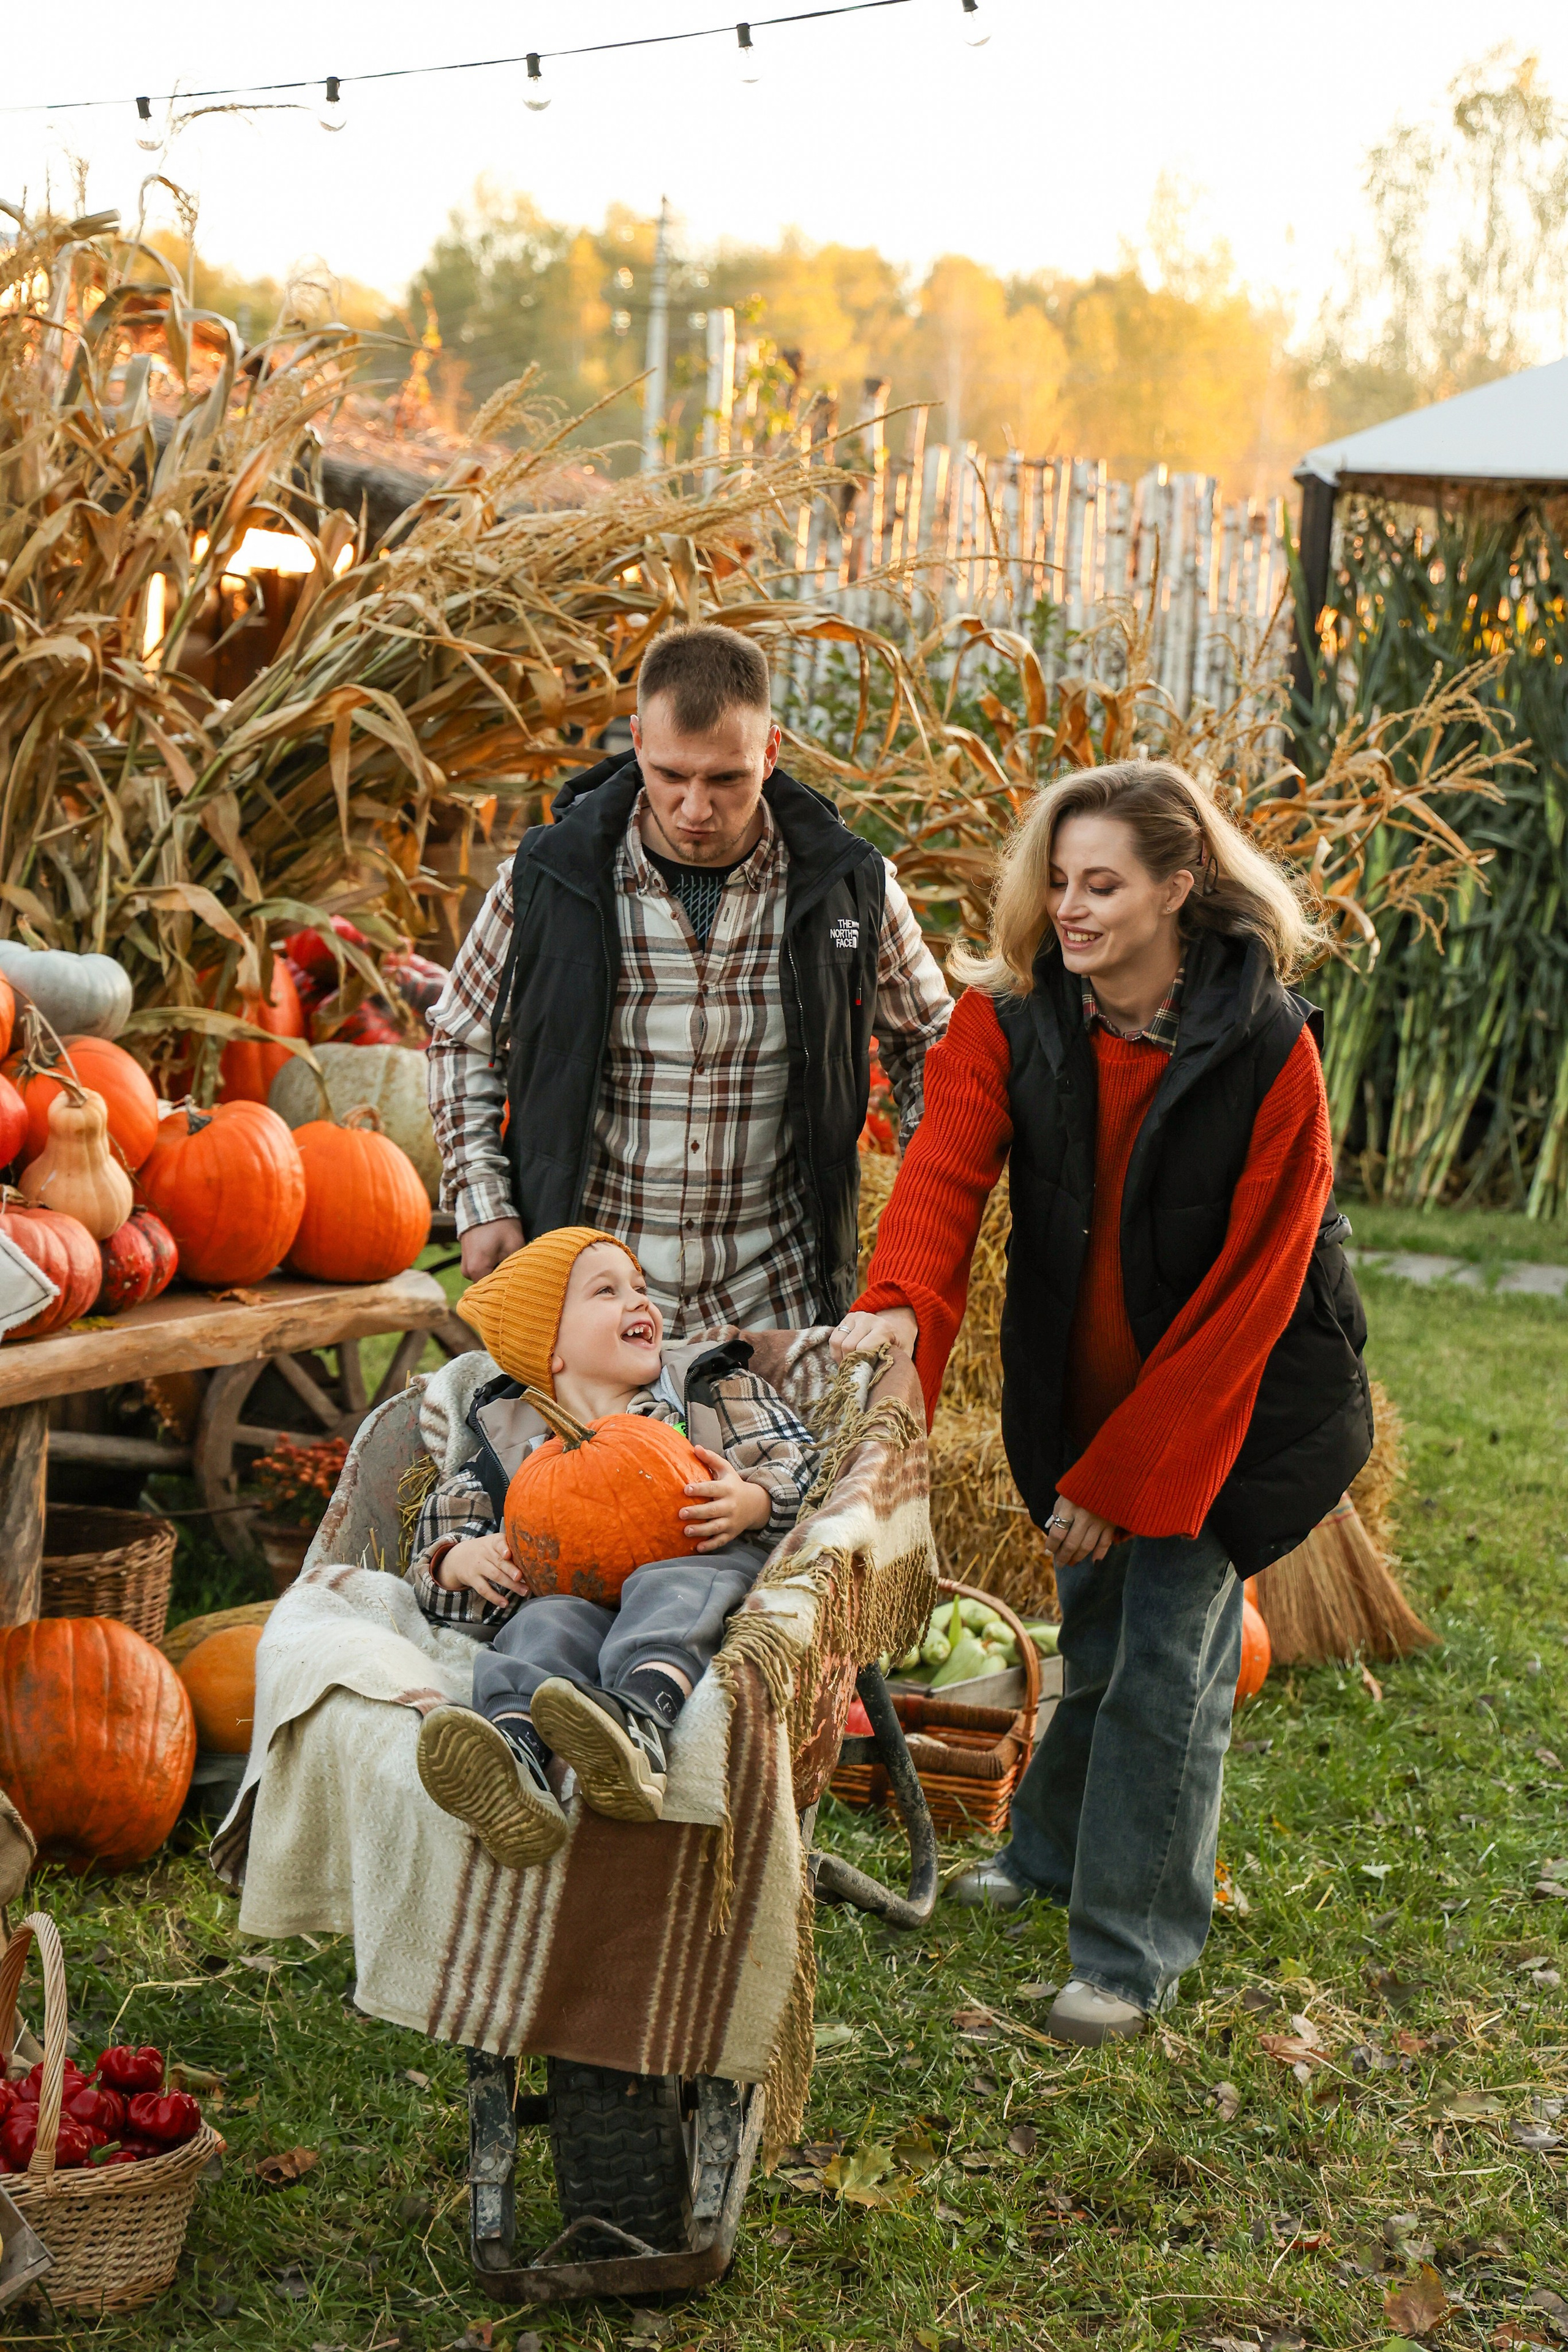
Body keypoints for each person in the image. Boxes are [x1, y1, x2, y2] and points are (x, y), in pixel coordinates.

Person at [833, 760, 1371, 2047]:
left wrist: (1127, 1479)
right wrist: (892, 1319)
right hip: (1076, 1397)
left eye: (1103, 885)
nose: (1069, 910)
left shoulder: (1266, 1046)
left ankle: (1126, 1959)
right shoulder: (1011, 1023)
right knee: (1090, 1635)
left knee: (1163, 1677)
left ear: (1179, 887)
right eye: (1058, 882)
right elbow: (942, 1177)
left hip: (1240, 1405)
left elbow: (1251, 1294)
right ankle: (1047, 1855)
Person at [426, 621, 951, 1330]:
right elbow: (460, 1039)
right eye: (672, 775)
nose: (696, 809)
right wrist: (482, 1199)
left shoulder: (849, 887)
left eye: (726, 778)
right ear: (636, 740)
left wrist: (919, 1223)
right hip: (590, 1298)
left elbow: (930, 1049)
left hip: (777, 1299)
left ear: (770, 751)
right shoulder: (548, 880)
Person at [411, 1226, 816, 1871]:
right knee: (539, 1622)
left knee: (672, 1586)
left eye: (641, 1288)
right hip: (579, 1597)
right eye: (608, 1291)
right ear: (550, 1347)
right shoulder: (506, 1443)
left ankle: (641, 1724)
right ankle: (513, 1762)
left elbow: (799, 1462)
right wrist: (462, 1563)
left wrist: (753, 1502)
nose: (641, 1303)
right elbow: (433, 1555)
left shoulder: (706, 1388)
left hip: (701, 1567)